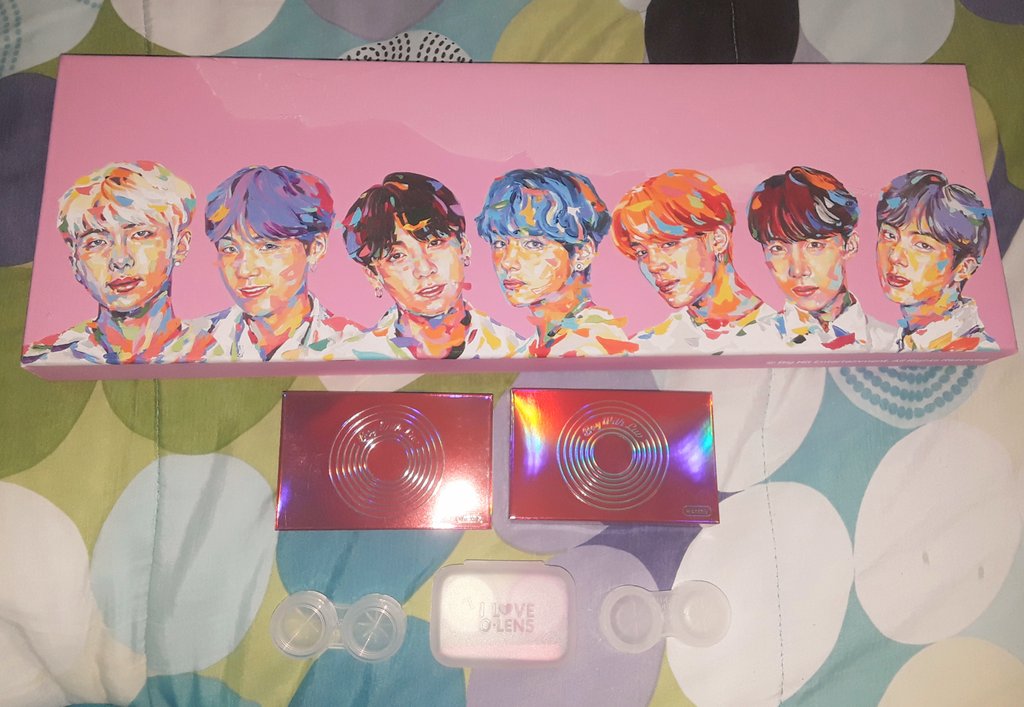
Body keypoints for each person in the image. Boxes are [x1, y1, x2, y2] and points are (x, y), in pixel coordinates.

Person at [22, 161, 204, 365]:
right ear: (75, 264)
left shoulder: (215, 348)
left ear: (180, 246)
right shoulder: (46, 358)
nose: (120, 260)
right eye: (97, 242)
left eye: (141, 234)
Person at [336, 172, 522, 359]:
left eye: (435, 242)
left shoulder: (512, 351)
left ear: (464, 247)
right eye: (397, 256)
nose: (424, 269)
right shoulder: (351, 358)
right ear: (373, 275)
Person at [193, 165, 360, 362]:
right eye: (230, 249)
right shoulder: (192, 344)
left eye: (268, 246)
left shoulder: (353, 347)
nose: (245, 270)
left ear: (316, 247)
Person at [611, 169, 781, 353]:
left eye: (668, 244)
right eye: (641, 252)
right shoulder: (646, 347)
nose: (653, 265)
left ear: (718, 239)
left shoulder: (784, 337)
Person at [475, 167, 636, 357]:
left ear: (582, 254)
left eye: (533, 244)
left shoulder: (590, 347)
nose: (507, 262)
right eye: (499, 243)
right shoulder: (538, 345)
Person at [747, 166, 893, 350]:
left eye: (814, 245)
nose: (798, 270)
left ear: (850, 245)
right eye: (777, 248)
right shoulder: (751, 344)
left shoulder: (892, 343)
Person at [875, 169, 997, 352]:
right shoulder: (897, 341)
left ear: (964, 267)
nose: (895, 257)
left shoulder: (973, 349)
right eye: (890, 235)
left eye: (922, 245)